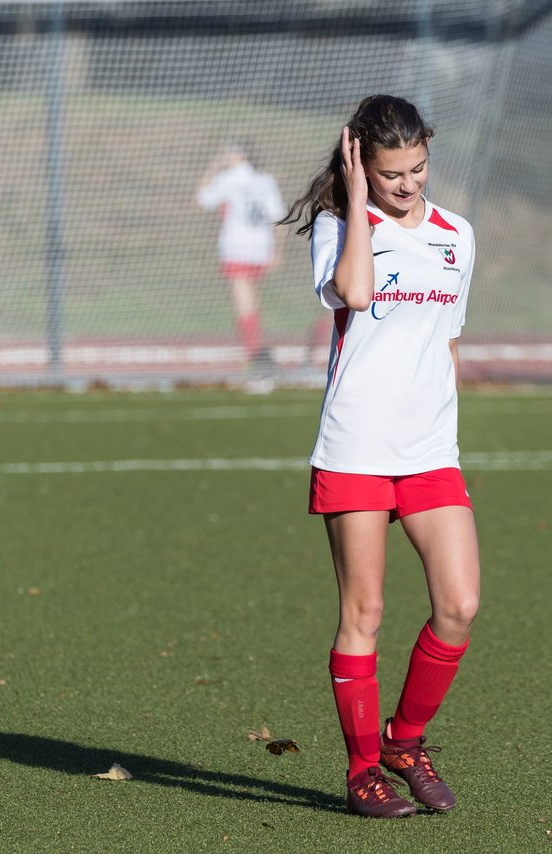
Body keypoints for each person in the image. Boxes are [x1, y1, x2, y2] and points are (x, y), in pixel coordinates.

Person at [280, 95, 479, 819]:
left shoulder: (458, 234)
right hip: (357, 447)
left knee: (459, 604)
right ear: (362, 164)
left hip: (429, 450)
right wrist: (360, 202)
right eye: (391, 173)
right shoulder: (340, 228)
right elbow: (355, 294)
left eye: (418, 168)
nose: (409, 185)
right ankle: (364, 770)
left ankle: (406, 741)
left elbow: (447, 343)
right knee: (364, 611)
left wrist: (446, 432)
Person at [196, 143, 285, 368]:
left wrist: (213, 167)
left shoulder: (228, 179)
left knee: (243, 303)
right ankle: (257, 348)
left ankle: (255, 354)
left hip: (236, 248)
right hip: (261, 248)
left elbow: (202, 199)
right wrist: (277, 251)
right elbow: (278, 219)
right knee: (251, 301)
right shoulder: (265, 181)